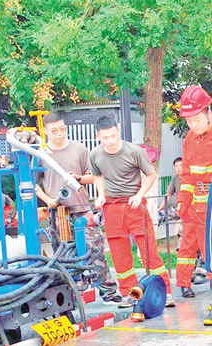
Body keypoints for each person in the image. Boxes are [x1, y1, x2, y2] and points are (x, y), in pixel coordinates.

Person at [35, 112, 122, 306]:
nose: (59, 133)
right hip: (58, 212)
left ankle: (108, 291)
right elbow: (32, 184)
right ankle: (72, 294)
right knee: (64, 254)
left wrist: (79, 178)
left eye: (62, 129)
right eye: (54, 131)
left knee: (95, 248)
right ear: (46, 131)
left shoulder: (79, 149)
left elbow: (94, 176)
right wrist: (48, 200)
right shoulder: (41, 154)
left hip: (82, 208)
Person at [91, 115, 174, 311]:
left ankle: (164, 292)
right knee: (119, 254)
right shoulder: (95, 154)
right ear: (98, 137)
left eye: (113, 136)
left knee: (148, 251)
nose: (110, 141)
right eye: (105, 138)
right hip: (112, 207)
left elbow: (151, 175)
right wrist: (100, 195)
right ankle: (129, 293)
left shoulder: (134, 151)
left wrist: (139, 195)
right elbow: (97, 176)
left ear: (118, 131)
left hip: (134, 205)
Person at [175, 86, 212, 323]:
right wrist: (183, 200)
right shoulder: (189, 138)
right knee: (209, 255)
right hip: (199, 208)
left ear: (208, 112)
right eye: (188, 121)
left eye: (196, 119)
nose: (193, 125)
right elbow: (188, 176)